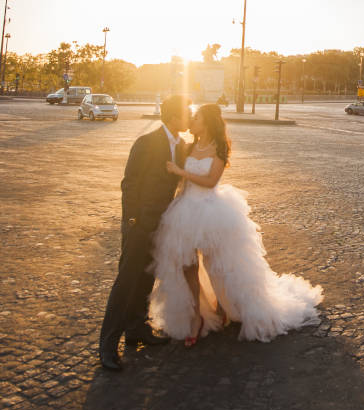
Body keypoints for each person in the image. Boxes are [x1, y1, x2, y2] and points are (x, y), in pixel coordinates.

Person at [149, 104, 322, 343]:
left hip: (211, 211)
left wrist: (181, 171)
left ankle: (222, 307)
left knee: (215, 264)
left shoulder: (219, 149)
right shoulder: (188, 146)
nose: (192, 120)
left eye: (197, 117)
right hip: (186, 210)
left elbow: (210, 181)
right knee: (187, 264)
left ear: (207, 122)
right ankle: (198, 315)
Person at [98, 94, 191, 371]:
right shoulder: (147, 142)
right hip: (139, 223)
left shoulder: (183, 146)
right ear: (174, 117)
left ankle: (136, 329)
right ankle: (107, 344)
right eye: (186, 113)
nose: (188, 117)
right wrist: (133, 220)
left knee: (145, 278)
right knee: (126, 282)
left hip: (163, 224)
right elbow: (129, 183)